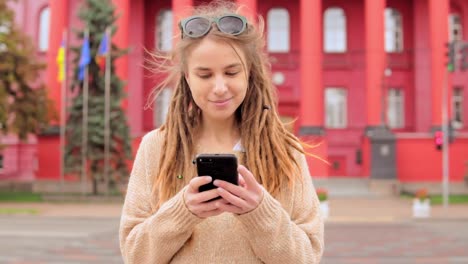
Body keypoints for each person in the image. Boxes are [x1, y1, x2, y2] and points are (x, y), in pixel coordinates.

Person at [119, 1, 324, 263]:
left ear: (249, 73)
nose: (219, 87)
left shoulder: (285, 151)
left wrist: (259, 211)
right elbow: (135, 255)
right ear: (187, 77)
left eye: (231, 72)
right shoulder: (157, 147)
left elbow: (306, 258)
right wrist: (182, 211)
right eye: (204, 75)